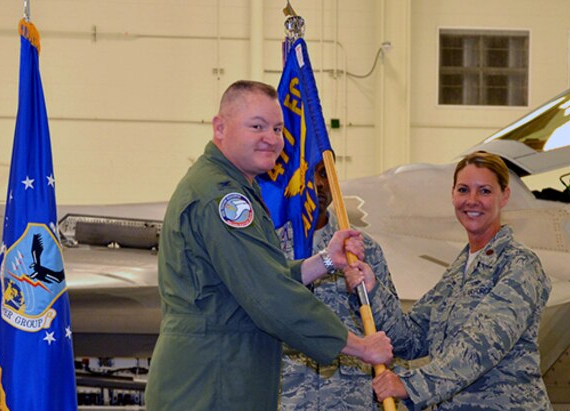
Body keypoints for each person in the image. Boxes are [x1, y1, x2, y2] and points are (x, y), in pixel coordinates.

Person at [144, 80, 393, 411]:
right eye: (257, 126)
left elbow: (257, 275)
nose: (272, 139)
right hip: (213, 382)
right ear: (220, 127)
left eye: (277, 129)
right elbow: (268, 294)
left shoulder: (229, 186)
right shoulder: (222, 198)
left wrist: (325, 261)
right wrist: (360, 347)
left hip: (219, 376)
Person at [347, 151, 552, 410]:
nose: (472, 201)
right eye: (463, 190)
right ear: (453, 195)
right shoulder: (458, 272)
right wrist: (373, 290)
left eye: (485, 191)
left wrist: (411, 386)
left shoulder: (519, 265)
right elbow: (411, 339)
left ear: (505, 196)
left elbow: (482, 344)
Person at [278, 160, 397, 411]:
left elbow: (389, 329)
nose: (319, 183)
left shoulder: (362, 248)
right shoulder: (271, 247)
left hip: (350, 399)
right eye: (308, 174)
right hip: (288, 397)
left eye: (325, 174)